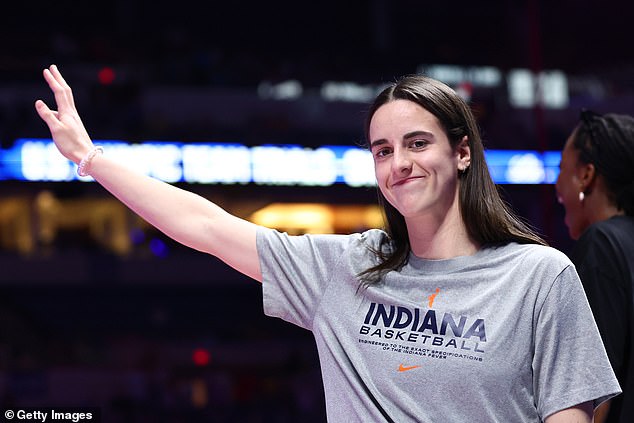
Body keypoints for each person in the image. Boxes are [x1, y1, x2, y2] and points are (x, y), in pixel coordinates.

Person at [35, 64, 620, 422]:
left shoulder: (542, 276)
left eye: (417, 143)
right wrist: (91, 159)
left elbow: (569, 418)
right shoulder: (345, 268)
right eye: (383, 151)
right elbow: (206, 226)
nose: (399, 164)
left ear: (462, 152)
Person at [555, 109, 634, 423]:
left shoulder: (602, 243)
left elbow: (593, 391)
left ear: (586, 175)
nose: (557, 186)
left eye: (562, 169)